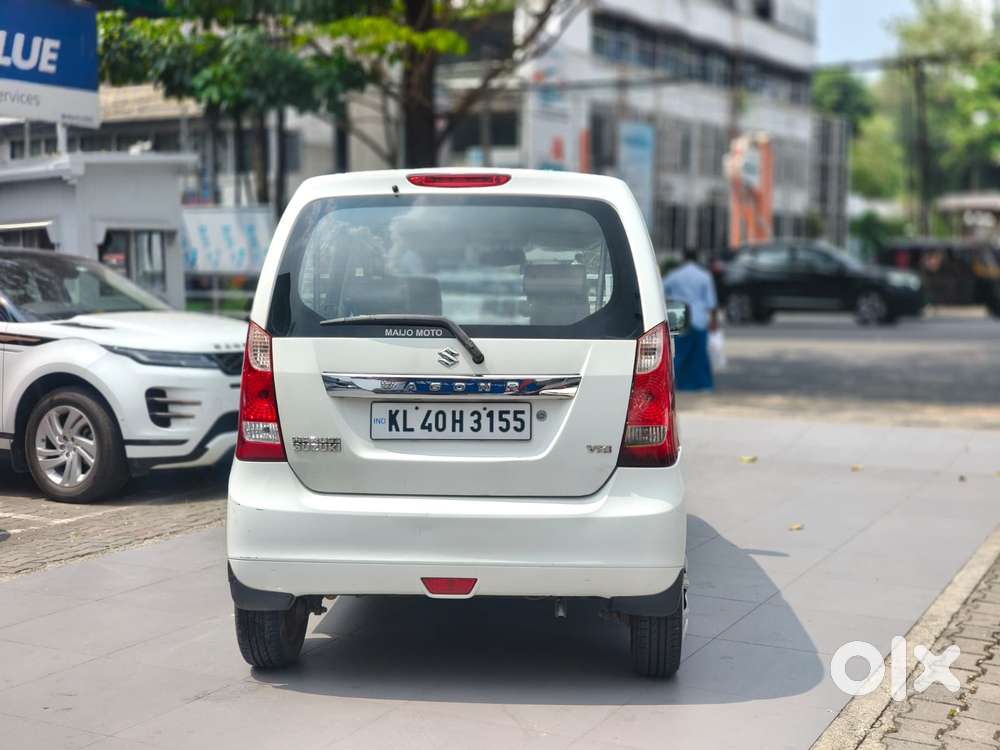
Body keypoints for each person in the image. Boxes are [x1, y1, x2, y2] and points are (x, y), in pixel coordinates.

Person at [663, 248, 719, 391]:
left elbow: (662, 290)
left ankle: (674, 385)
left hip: (679, 316)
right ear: (697, 258)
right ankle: (703, 385)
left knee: (679, 354)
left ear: (683, 258)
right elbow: (711, 302)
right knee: (700, 355)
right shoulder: (704, 276)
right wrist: (714, 321)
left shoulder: (674, 275)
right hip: (699, 317)